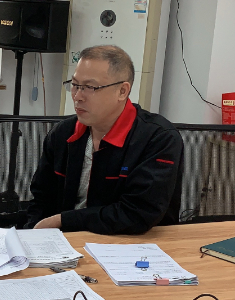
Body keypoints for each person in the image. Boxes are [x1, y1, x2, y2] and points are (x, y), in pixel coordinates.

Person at [26, 45, 183, 235]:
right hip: (66, 241)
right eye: (75, 85)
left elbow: (137, 214)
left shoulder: (158, 138)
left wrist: (62, 220)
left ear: (122, 91)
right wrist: (30, 235)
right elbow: (41, 198)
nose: (77, 96)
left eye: (90, 87)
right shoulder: (63, 133)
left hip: (133, 243)